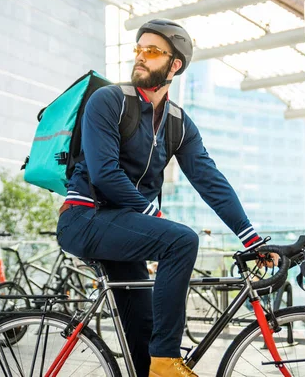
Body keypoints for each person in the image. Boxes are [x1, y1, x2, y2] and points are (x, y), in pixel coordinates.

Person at [57, 19, 272, 377]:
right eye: (138, 49)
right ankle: (169, 360)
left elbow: (210, 181)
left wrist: (251, 238)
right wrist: (154, 217)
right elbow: (105, 173)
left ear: (175, 65)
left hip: (125, 229)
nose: (140, 57)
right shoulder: (109, 100)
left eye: (151, 51)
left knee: (144, 341)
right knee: (181, 240)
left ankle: (157, 361)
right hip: (84, 218)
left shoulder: (178, 124)